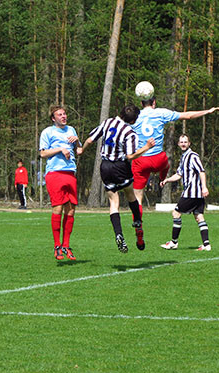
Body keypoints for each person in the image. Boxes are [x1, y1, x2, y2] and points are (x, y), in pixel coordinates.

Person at [131, 91, 219, 219]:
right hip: (158, 159)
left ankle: (138, 228)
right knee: (165, 164)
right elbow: (188, 116)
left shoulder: (136, 115)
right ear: (154, 102)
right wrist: (207, 111)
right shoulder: (161, 113)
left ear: (141, 103)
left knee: (137, 197)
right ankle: (162, 178)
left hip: (141, 160)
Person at [80, 105, 155, 253]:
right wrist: (146, 147)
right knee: (130, 194)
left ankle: (118, 234)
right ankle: (137, 222)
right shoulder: (129, 132)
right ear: (133, 120)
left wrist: (81, 149)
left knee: (113, 202)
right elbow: (130, 156)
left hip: (105, 166)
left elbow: (90, 139)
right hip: (120, 166)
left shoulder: (108, 122)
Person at [39, 105, 82, 260]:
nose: (63, 116)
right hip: (55, 174)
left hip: (70, 173)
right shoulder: (47, 132)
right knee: (57, 208)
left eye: (64, 114)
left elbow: (79, 151)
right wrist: (59, 149)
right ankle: (57, 246)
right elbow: (42, 153)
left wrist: (77, 142)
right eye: (60, 114)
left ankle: (66, 246)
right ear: (53, 118)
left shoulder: (71, 130)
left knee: (70, 210)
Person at [160, 134, 211, 251]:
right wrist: (167, 180)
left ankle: (173, 242)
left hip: (191, 193)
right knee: (199, 217)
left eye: (185, 142)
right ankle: (206, 245)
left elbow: (201, 172)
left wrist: (204, 187)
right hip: (196, 194)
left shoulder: (193, 156)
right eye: (181, 142)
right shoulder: (183, 157)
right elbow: (179, 174)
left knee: (176, 213)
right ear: (178, 144)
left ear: (189, 143)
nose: (183, 144)